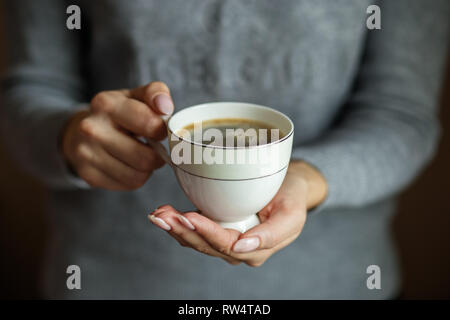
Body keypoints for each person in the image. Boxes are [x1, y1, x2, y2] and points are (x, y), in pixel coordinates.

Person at [1, 0, 448, 299]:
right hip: (110, 281)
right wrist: (69, 135)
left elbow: (400, 115)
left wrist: (303, 181)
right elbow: (31, 89)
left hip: (331, 285)